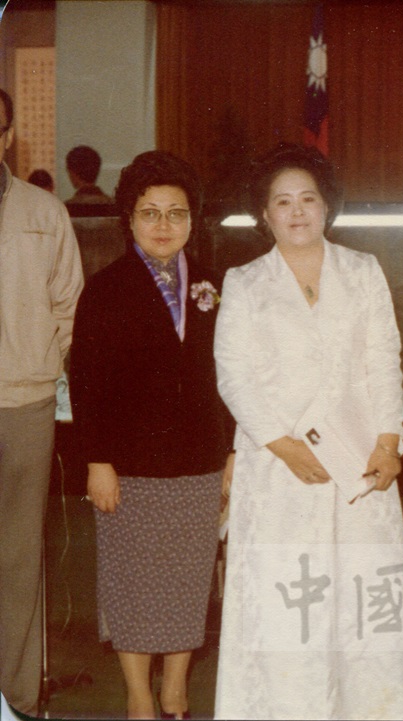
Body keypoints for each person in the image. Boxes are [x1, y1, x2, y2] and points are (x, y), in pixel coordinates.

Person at [213, 143, 403, 720]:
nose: (297, 211)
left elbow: (383, 358)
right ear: (265, 214)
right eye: (282, 202)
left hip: (359, 461)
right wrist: (283, 447)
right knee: (289, 607)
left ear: (327, 206)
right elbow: (233, 376)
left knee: (364, 605)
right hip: (277, 470)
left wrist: (389, 443)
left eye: (308, 199)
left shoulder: (362, 271)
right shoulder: (245, 282)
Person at [69, 150, 232, 720]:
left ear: (192, 220)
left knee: (188, 581)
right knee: (133, 584)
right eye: (150, 213)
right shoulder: (105, 289)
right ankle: (139, 696)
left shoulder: (214, 285)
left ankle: (176, 689)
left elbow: (231, 377)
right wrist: (96, 461)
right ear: (129, 220)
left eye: (176, 213)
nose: (164, 225)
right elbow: (85, 383)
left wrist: (231, 453)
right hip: (129, 467)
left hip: (199, 462)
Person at [0, 87, 83, 718]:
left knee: (19, 557)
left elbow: (68, 303)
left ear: (7, 136)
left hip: (24, 407)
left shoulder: (43, 211)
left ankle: (18, 697)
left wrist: (37, 364)